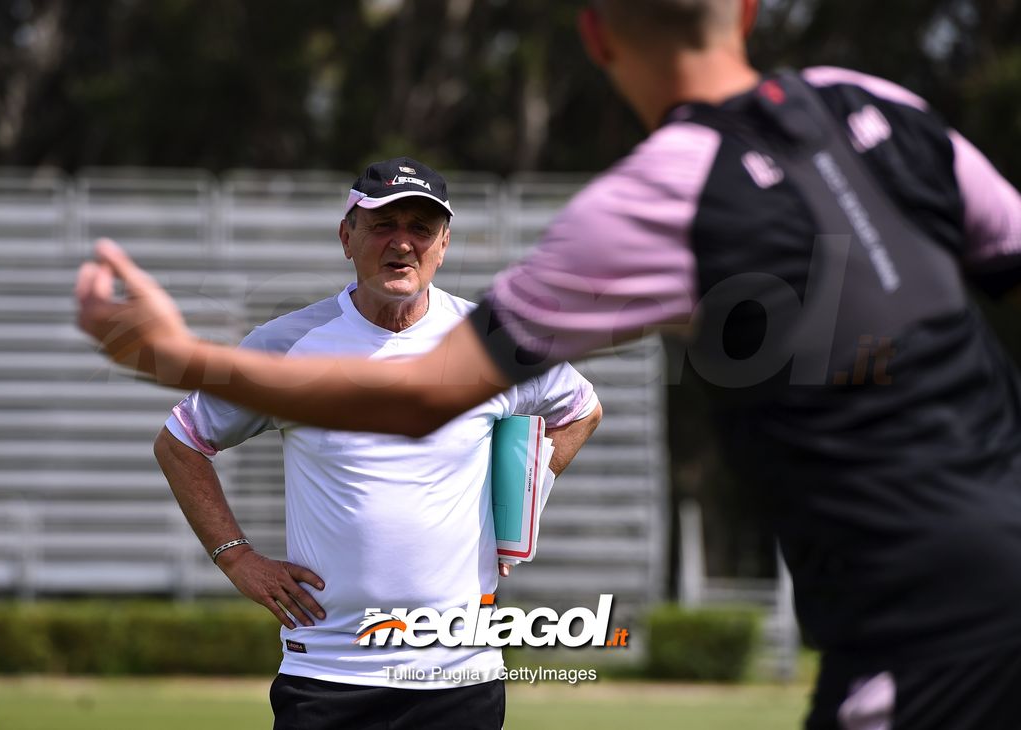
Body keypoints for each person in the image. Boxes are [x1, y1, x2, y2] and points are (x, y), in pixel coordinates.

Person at [76, 1, 1021, 727]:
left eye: (422, 227)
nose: (404, 241)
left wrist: (180, 353)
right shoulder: (881, 107)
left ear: (596, 35)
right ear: (747, 13)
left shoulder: (650, 202)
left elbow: (418, 400)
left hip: (917, 622)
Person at [150, 157, 602, 730]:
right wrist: (235, 557)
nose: (403, 244)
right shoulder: (286, 344)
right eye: (383, 225)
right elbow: (181, 443)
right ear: (347, 236)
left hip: (459, 676)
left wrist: (519, 509)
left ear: (443, 245)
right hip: (328, 674)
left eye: (421, 229)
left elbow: (580, 409)